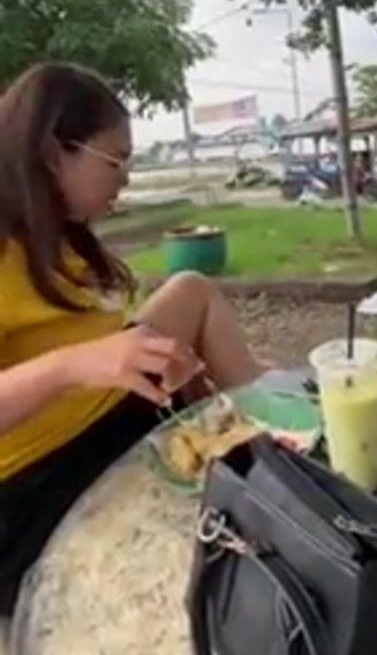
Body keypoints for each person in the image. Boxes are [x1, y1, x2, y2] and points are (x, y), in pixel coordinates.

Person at [0, 63, 263, 614]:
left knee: (191, 289)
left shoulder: (60, 231)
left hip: (104, 411)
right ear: (52, 152)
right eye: (115, 160)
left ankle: (273, 440)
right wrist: (75, 364)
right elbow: (78, 359)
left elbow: (100, 337)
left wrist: (156, 361)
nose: (125, 178)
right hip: (32, 478)